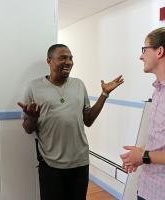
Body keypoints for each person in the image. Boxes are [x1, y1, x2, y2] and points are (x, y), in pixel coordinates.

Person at [18, 44, 123, 200]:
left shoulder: (79, 85)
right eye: (62, 58)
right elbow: (27, 129)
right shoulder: (34, 87)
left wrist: (104, 94)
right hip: (50, 164)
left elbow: (88, 120)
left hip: (80, 161)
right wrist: (32, 118)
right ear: (49, 61)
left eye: (70, 58)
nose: (69, 62)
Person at [120, 27, 165, 200]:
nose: (141, 56)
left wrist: (144, 156)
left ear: (159, 51)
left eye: (144, 50)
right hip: (147, 188)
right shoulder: (158, 91)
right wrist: (141, 152)